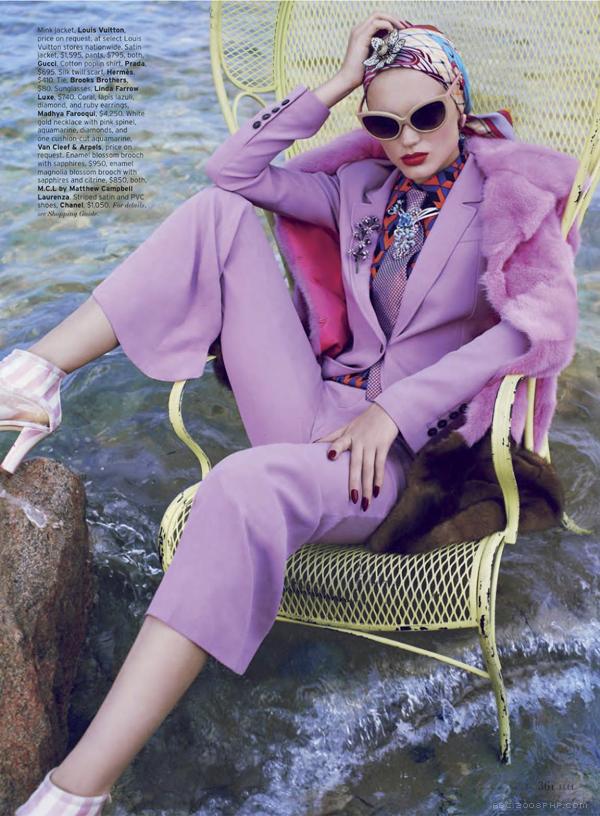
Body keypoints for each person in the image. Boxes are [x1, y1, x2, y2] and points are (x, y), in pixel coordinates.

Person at [7, 12, 531, 814]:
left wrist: (395, 412)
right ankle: (36, 376)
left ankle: (78, 790)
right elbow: (232, 171)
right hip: (311, 404)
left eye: (426, 115)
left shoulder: (505, 198)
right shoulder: (361, 188)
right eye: (385, 124)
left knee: (238, 486)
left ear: (459, 101)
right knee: (215, 213)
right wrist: (339, 83)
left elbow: (525, 330)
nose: (407, 139)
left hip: (390, 458)